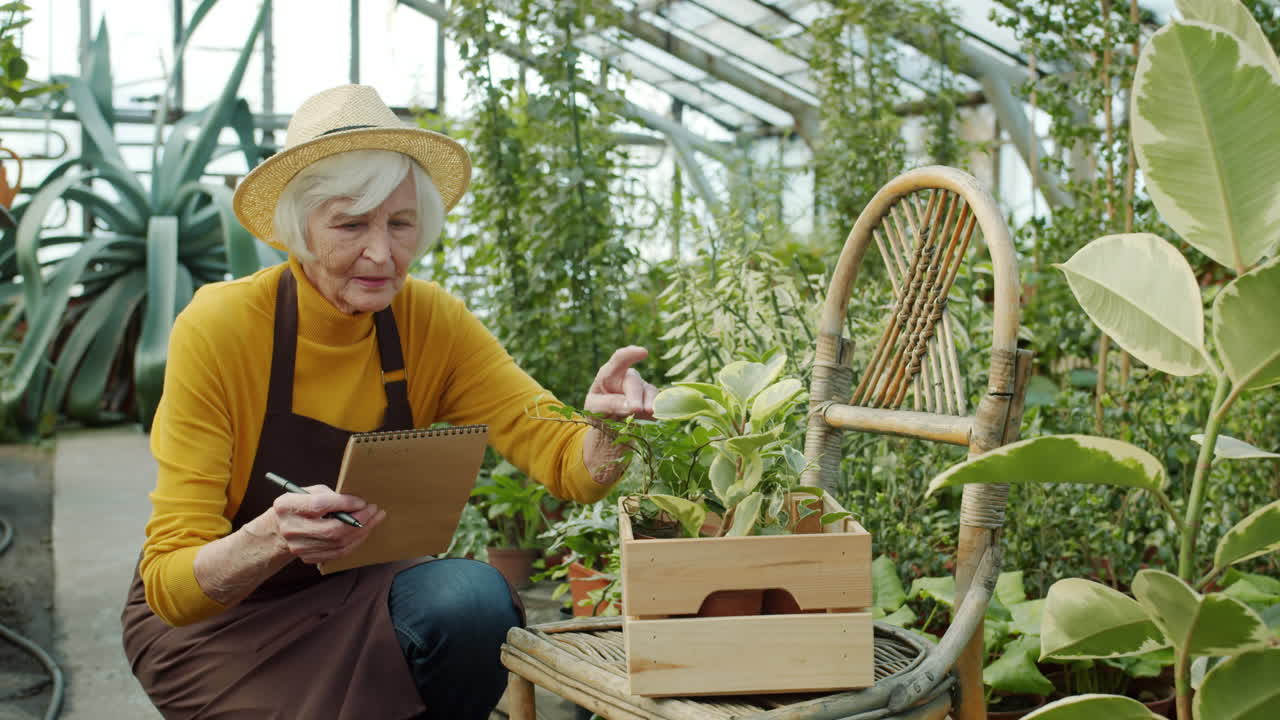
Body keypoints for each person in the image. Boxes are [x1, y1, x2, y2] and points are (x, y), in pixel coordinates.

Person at [121, 84, 657, 720]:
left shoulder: (431, 321)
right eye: (351, 225)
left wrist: (607, 428)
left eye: (400, 224)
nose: (382, 254)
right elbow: (170, 586)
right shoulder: (224, 325)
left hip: (365, 598)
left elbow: (568, 462)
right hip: (223, 622)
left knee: (471, 600)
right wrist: (271, 538)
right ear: (300, 230)